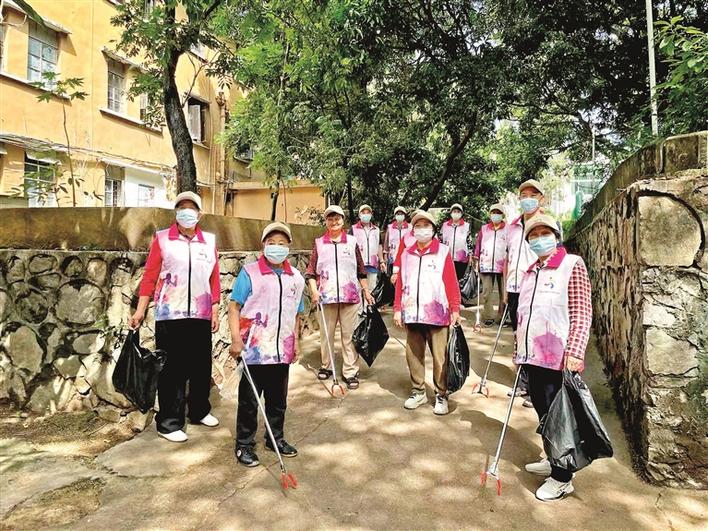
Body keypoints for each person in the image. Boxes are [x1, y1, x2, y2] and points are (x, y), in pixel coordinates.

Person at [128, 191, 220, 443]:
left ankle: (199, 411)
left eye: (191, 208)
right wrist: (140, 310)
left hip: (201, 312)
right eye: (182, 208)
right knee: (172, 370)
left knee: (201, 366)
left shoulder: (208, 241)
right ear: (176, 212)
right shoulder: (162, 239)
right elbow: (150, 276)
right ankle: (168, 423)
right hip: (170, 314)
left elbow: (214, 278)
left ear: (199, 214)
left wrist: (214, 308)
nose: (187, 212)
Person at [514, 214, 592, 502]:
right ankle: (553, 458)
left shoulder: (572, 264)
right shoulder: (530, 272)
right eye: (533, 235)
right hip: (533, 355)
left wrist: (575, 351)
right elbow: (524, 315)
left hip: (559, 357)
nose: (539, 239)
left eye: (545, 233)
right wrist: (519, 350)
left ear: (556, 237)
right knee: (543, 411)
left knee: (559, 417)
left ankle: (562, 478)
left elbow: (582, 312)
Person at [228, 222, 305, 467]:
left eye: (282, 243)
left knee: (278, 400)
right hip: (254, 350)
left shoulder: (296, 278)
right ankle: (244, 444)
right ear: (263, 245)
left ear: (289, 246)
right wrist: (236, 339)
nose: (276, 247)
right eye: (272, 243)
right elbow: (234, 307)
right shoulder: (249, 273)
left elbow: (297, 313)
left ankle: (275, 438)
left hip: (282, 349)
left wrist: (296, 342)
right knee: (249, 401)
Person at [393, 210, 461, 416]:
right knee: (413, 354)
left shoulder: (443, 252)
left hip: (437, 314)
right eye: (418, 226)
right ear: (413, 230)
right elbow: (400, 283)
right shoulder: (406, 254)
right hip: (412, 312)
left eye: (426, 225)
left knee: (440, 357)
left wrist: (455, 308)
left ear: (433, 229)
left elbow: (451, 282)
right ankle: (418, 391)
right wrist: (397, 309)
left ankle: (441, 394)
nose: (422, 229)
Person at [305, 205, 375, 389]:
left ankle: (350, 371)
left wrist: (366, 291)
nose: (334, 222)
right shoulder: (319, 243)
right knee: (326, 335)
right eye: (330, 219)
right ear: (326, 222)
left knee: (349, 336)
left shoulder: (352, 242)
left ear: (343, 220)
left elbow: (361, 271)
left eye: (337, 218)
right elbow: (311, 272)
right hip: (326, 297)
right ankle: (326, 366)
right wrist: (314, 291)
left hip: (350, 297)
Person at [503, 179, 548, 406]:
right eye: (523, 195)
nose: (527, 199)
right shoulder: (511, 227)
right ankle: (523, 382)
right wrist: (505, 289)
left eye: (532, 195)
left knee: (536, 336)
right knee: (518, 336)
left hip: (537, 289)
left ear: (541, 199)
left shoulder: (547, 225)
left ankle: (536, 388)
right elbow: (507, 259)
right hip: (514, 289)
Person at [472, 203, 508, 326]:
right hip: (486, 264)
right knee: (486, 291)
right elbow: (478, 245)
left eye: (498, 213)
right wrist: (476, 260)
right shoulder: (484, 229)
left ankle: (501, 317)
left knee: (504, 293)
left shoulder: (508, 229)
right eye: (493, 212)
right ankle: (488, 316)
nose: (495, 215)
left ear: (502, 215)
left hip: (503, 265)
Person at [350, 204, 386, 300]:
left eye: (368, 212)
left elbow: (379, 245)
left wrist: (381, 261)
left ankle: (369, 307)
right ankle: (359, 308)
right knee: (358, 289)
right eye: (363, 212)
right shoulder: (353, 229)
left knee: (371, 288)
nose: (366, 214)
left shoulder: (376, 230)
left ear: (371, 214)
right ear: (359, 215)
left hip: (373, 264)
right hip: (358, 263)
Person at [441, 203, 473, 281]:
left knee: (459, 279)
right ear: (451, 213)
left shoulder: (466, 226)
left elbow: (469, 241)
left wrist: (470, 256)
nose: (456, 213)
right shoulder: (445, 225)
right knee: (448, 279)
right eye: (454, 211)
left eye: (458, 211)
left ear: (461, 213)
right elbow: (440, 240)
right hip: (447, 257)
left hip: (461, 258)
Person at [383, 206, 409, 276]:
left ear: (404, 215)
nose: (399, 215)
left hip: (407, 258)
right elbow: (386, 245)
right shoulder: (390, 227)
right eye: (398, 214)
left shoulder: (410, 227)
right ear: (395, 216)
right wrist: (385, 258)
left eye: (401, 214)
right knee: (394, 278)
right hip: (393, 258)